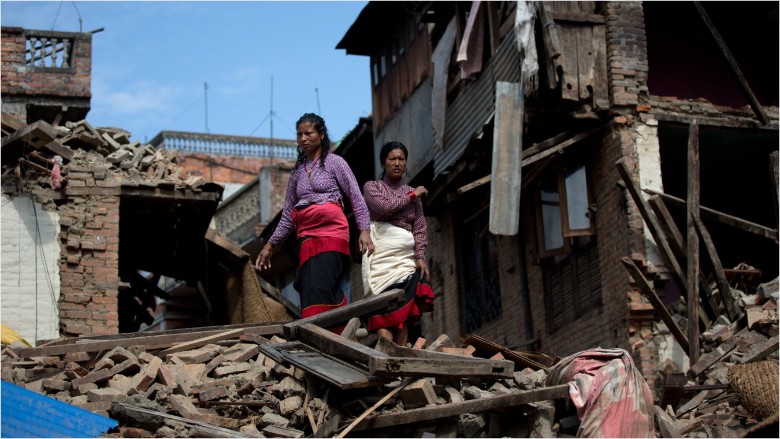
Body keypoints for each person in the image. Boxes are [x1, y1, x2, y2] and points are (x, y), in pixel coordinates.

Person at [255, 113, 373, 319]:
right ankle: (317, 336)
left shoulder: (335, 163)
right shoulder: (297, 174)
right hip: (307, 240)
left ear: (321, 134)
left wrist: (364, 230)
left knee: (324, 286)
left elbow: (356, 196)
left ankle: (338, 332)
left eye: (308, 133)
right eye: (299, 134)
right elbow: (287, 217)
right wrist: (269, 246)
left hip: (332, 234)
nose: (303, 139)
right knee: (309, 290)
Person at [362, 141, 435, 346]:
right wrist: (412, 195)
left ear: (406, 163)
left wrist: (420, 256)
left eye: (401, 159)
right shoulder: (373, 187)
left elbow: (420, 227)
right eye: (392, 159)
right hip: (380, 257)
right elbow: (384, 209)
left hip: (405, 259)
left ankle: (401, 357)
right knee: (382, 306)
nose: (397, 163)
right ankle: (386, 357)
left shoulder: (414, 194)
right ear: (383, 163)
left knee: (404, 306)